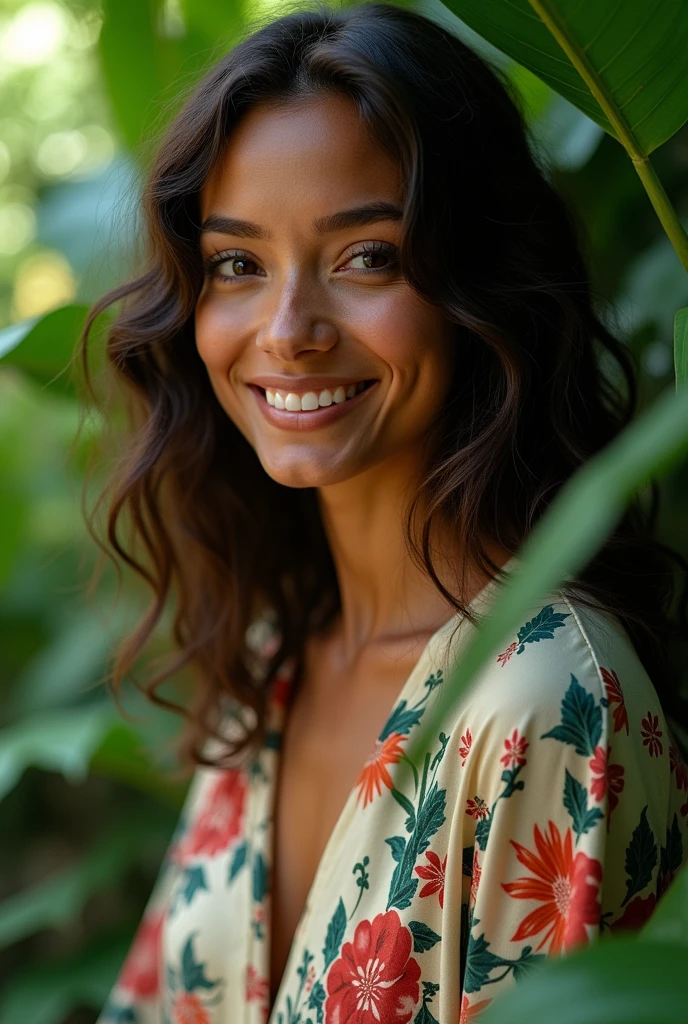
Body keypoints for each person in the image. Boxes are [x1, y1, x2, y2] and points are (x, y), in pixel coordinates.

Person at [83, 3, 688, 1022]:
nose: (287, 332)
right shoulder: (275, 661)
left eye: (365, 256)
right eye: (238, 264)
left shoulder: (543, 706)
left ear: (476, 282)